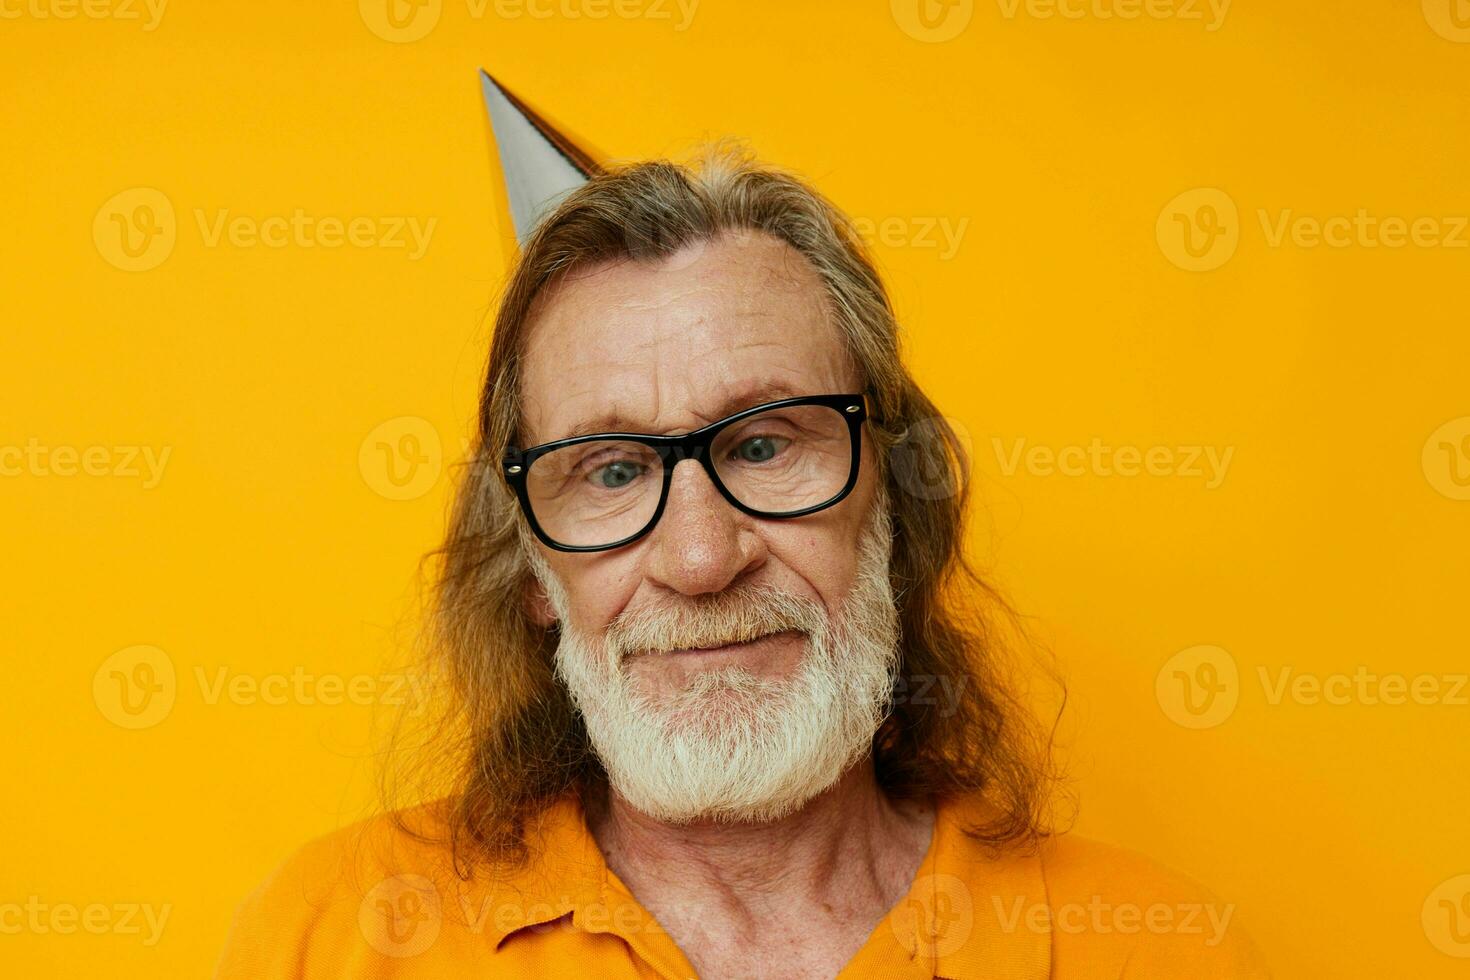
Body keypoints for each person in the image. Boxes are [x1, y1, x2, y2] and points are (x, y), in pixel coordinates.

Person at [215, 145, 1271, 979]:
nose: (701, 556)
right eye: (613, 471)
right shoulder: (331, 936)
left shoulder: (1163, 949)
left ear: (892, 500)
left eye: (764, 445)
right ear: (535, 571)